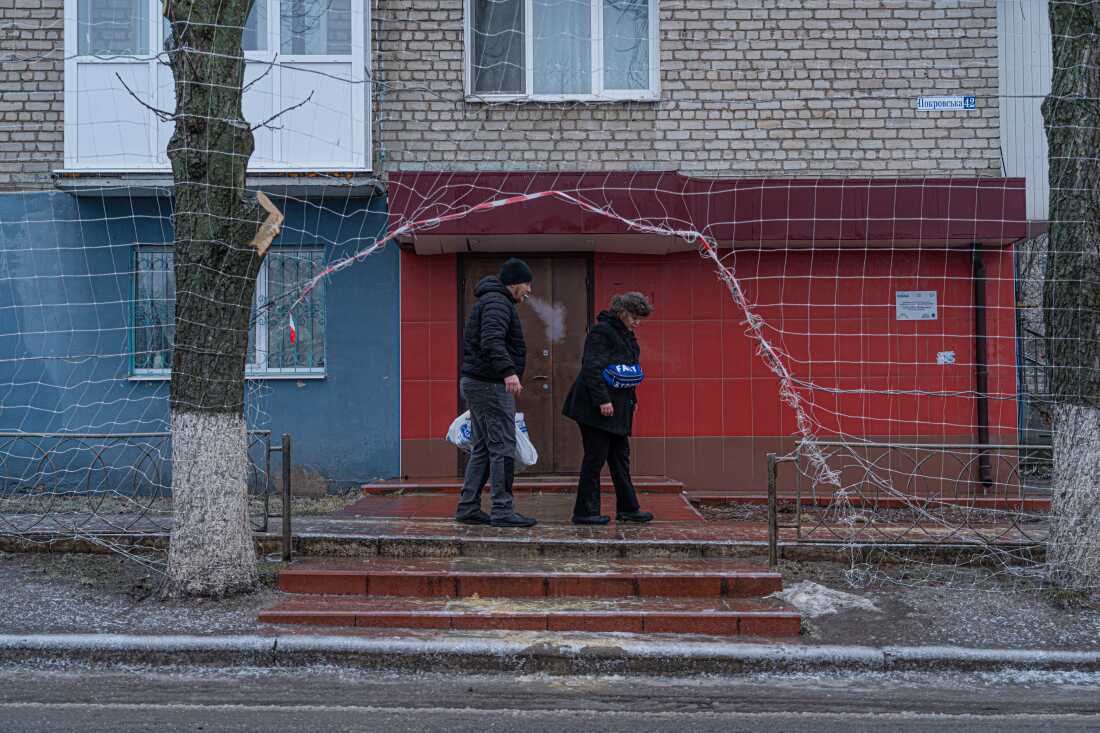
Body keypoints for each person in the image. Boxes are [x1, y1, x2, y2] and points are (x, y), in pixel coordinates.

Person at [454, 258, 538, 528]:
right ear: (514, 283)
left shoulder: (493, 300)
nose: (529, 290)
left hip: (479, 383)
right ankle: (502, 510)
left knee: (482, 448)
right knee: (502, 447)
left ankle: (468, 507)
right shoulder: (497, 303)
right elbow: (491, 339)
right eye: (527, 284)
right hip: (489, 385)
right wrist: (508, 372)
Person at [563, 292, 655, 525]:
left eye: (640, 319)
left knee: (620, 458)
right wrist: (602, 400)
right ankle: (585, 512)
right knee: (595, 458)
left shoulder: (626, 334)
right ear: (622, 312)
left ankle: (628, 509)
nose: (637, 323)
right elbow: (592, 368)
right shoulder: (602, 332)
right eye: (634, 317)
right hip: (594, 408)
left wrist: (632, 400)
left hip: (618, 408)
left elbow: (629, 370)